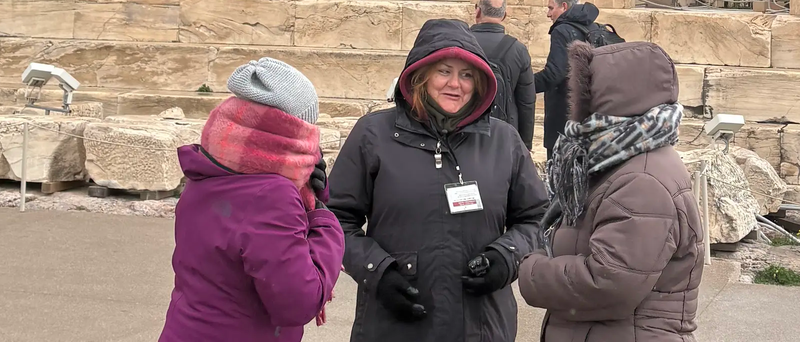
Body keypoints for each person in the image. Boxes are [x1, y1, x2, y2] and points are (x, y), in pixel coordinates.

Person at [328, 19, 548, 342]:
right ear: (421, 75)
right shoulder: (373, 135)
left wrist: (507, 256)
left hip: (482, 326)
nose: (455, 84)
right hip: (394, 324)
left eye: (467, 75)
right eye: (444, 71)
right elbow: (334, 218)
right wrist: (376, 270)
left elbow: (537, 217)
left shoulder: (505, 141)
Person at [519, 41, 703, 341]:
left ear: (613, 99)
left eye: (584, 94)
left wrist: (531, 270)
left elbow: (609, 283)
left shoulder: (642, 180)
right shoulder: (616, 161)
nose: (578, 108)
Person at [159, 57, 345, 342]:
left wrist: (308, 191)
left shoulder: (212, 165)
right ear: (290, 130)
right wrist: (325, 221)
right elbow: (299, 302)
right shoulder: (272, 195)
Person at [534, 0, 599, 158]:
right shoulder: (591, 27)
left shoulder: (562, 30)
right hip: (587, 113)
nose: (548, 14)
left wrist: (525, 84)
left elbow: (555, 74)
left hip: (563, 115)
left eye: (550, 8)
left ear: (564, 6)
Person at [470, 0, 536, 149]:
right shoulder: (518, 49)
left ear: (477, 12)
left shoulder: (462, 43)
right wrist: (525, 145)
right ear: (504, 15)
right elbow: (526, 102)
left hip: (465, 129)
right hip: (504, 131)